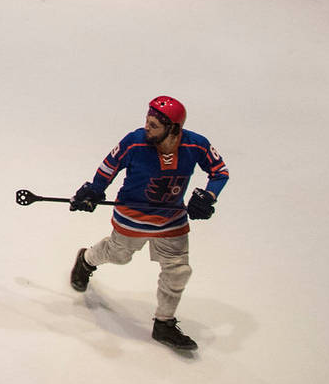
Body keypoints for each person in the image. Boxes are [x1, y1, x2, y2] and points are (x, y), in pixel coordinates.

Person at [67, 96, 230, 353]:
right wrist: (94, 191)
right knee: (118, 256)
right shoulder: (134, 142)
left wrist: (209, 196)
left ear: (173, 128)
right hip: (133, 216)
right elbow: (109, 167)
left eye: (154, 125)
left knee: (178, 271)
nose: (147, 127)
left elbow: (220, 172)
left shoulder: (196, 144)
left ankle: (164, 323)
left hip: (172, 219)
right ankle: (86, 260)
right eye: (147, 121)